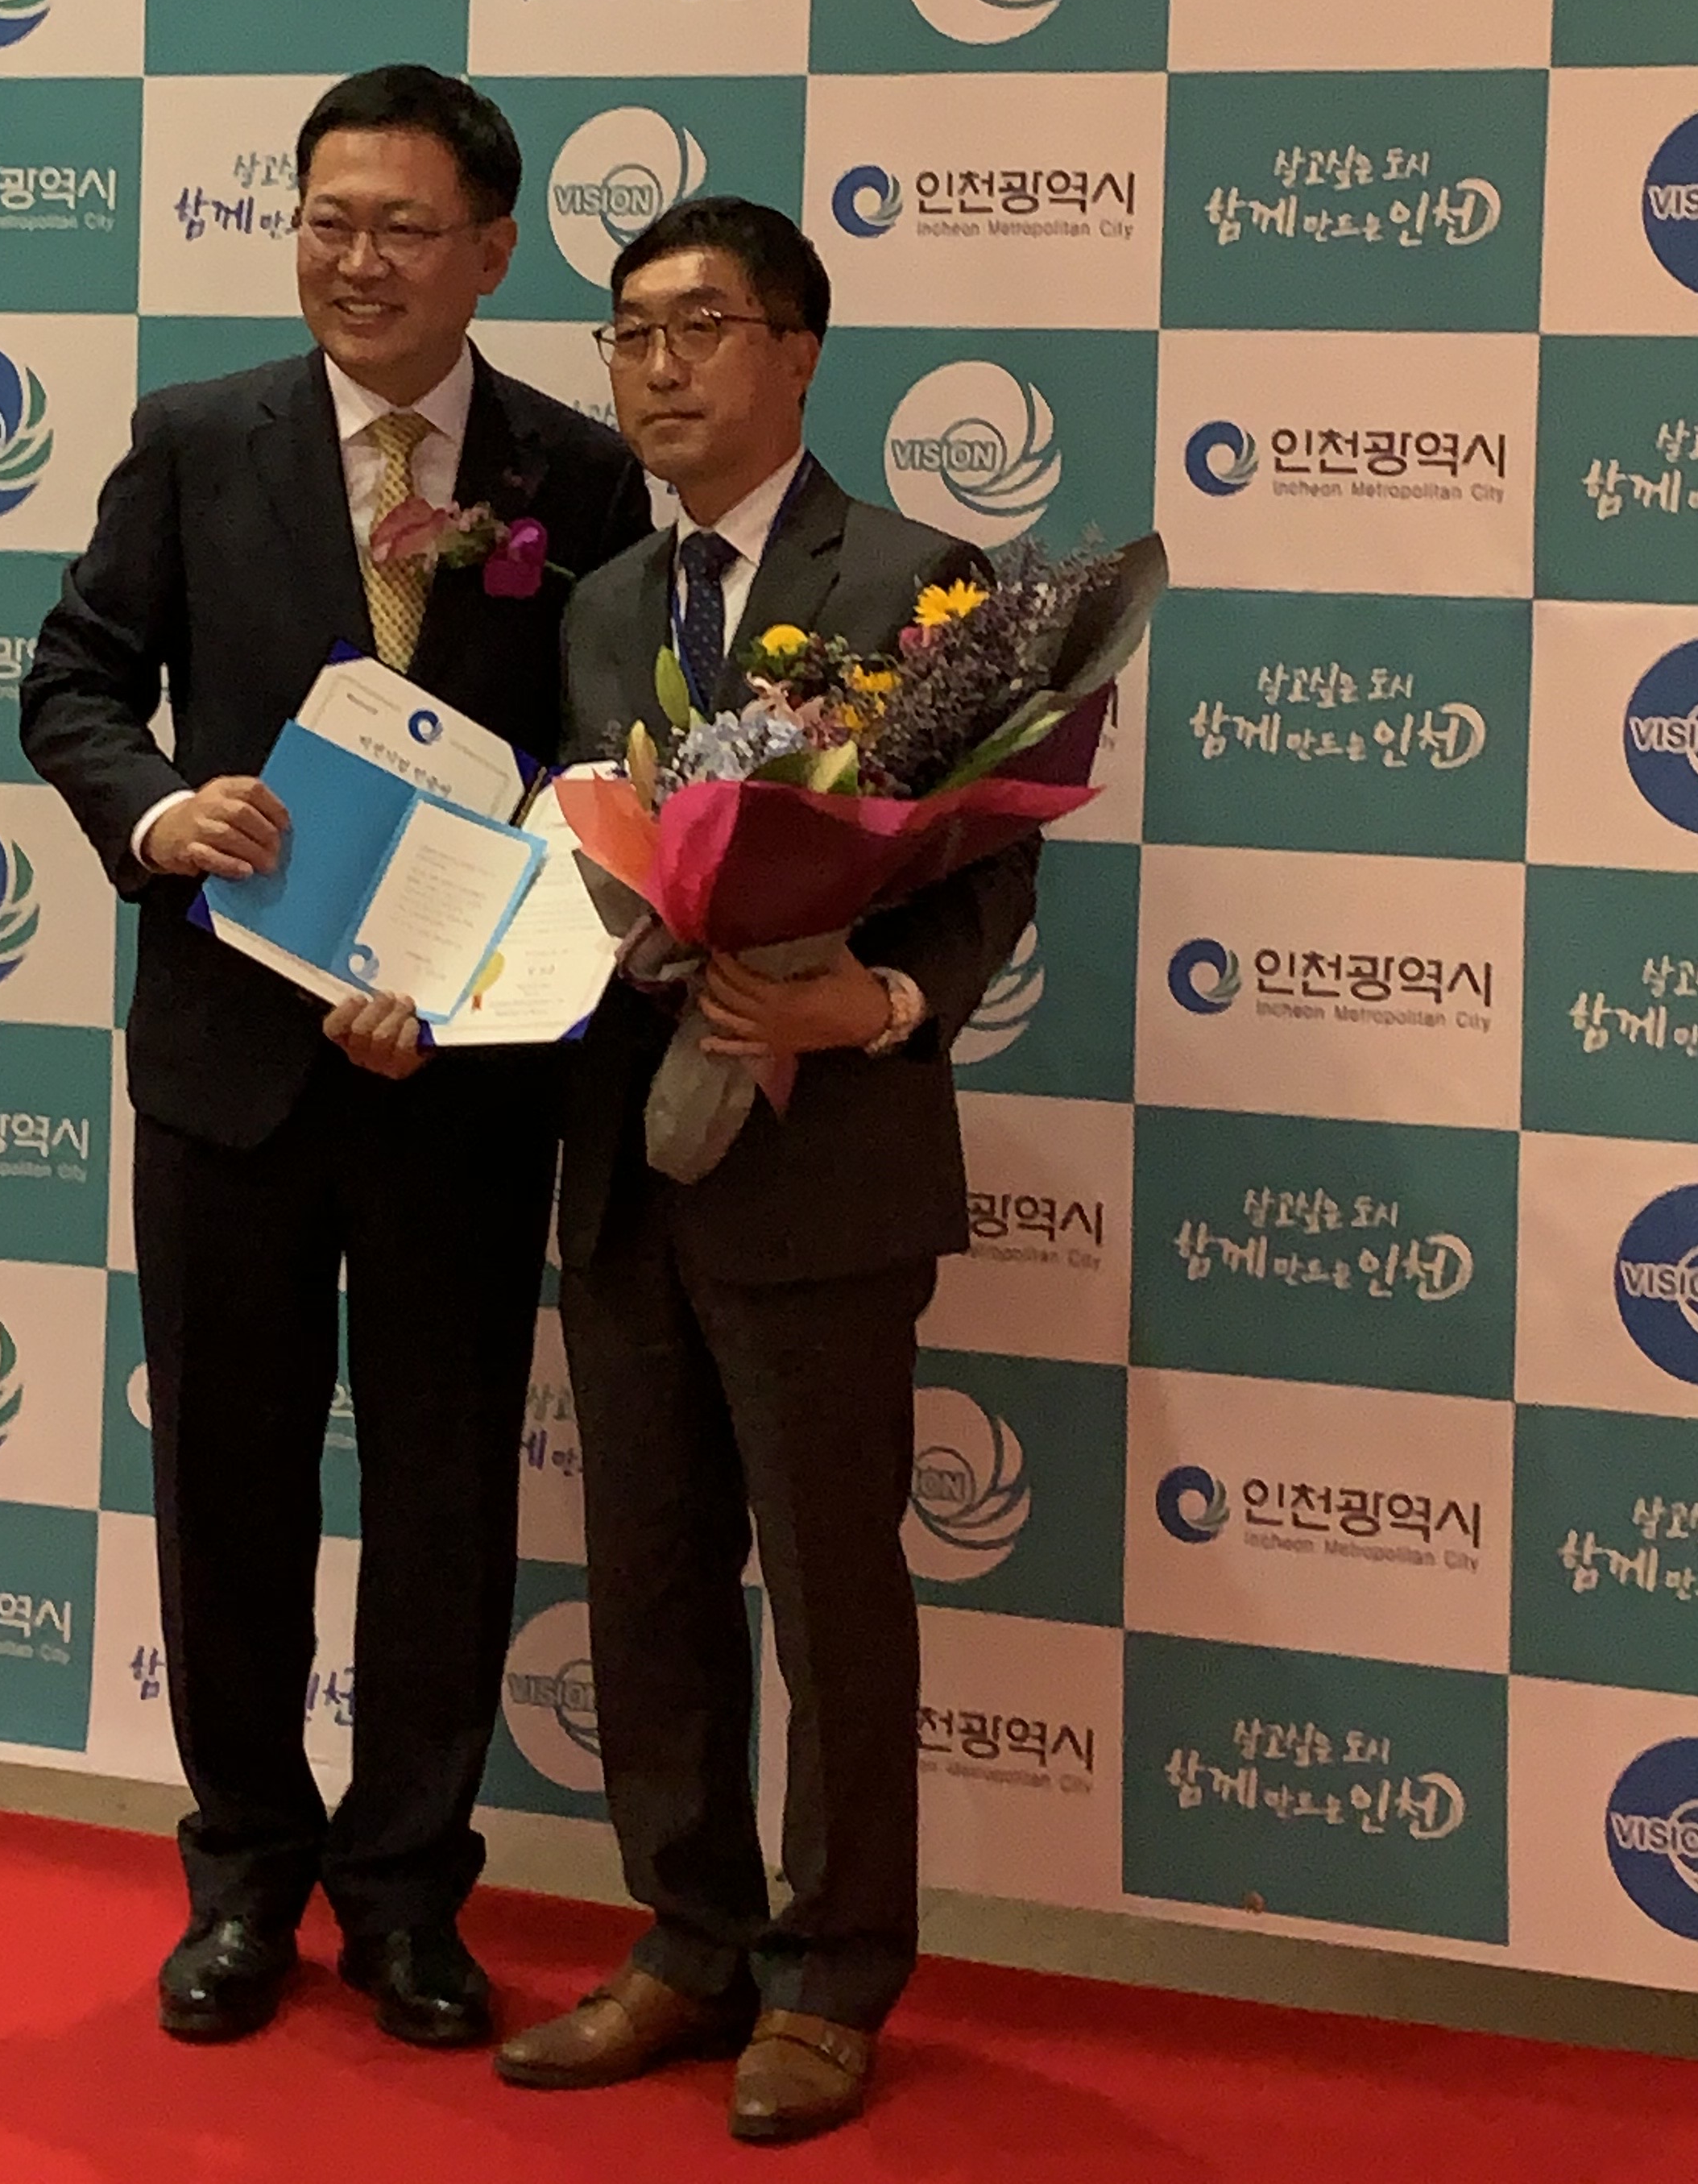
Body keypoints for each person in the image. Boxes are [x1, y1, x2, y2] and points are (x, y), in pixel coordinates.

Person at [20, 64, 649, 2049]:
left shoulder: (577, 475)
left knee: (450, 1491)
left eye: (399, 226)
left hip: (457, 1083)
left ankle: (406, 1897)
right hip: (230, 1066)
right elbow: (75, 678)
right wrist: (158, 814)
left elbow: (603, 778)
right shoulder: (198, 438)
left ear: (493, 249)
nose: (355, 259)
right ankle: (239, 1882)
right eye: (325, 219)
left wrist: (466, 984)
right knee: (228, 1482)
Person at [495, 195, 1038, 2146]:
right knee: (644, 1585)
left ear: (798, 351)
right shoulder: (600, 607)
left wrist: (864, 1002)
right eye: (629, 332)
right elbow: (585, 853)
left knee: (829, 1597)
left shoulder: (915, 576)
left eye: (700, 326)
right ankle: (690, 1942)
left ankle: (832, 1978)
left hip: (823, 1176)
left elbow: (986, 860)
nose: (657, 367)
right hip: (628, 1169)